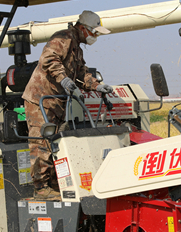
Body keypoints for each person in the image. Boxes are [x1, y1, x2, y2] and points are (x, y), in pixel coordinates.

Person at [22, 11, 113, 200]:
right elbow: (48, 59)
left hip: (56, 102)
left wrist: (97, 86)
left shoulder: (76, 48)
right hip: (40, 99)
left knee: (56, 144)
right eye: (94, 32)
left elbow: (81, 74)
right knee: (41, 143)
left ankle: (55, 184)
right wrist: (63, 79)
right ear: (83, 28)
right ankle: (41, 188)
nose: (95, 36)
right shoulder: (62, 38)